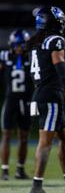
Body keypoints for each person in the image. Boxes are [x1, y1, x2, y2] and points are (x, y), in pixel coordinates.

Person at [27, 6, 65, 193]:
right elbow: (62, 70)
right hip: (50, 97)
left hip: (44, 94)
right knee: (45, 143)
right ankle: (36, 187)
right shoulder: (55, 40)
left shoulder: (36, 42)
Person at [0, 30, 33, 180]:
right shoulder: (4, 57)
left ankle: (20, 169)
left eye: (21, 45)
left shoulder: (31, 58)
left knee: (24, 136)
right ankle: (5, 170)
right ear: (11, 45)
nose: (19, 47)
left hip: (27, 101)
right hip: (11, 100)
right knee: (6, 135)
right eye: (16, 45)